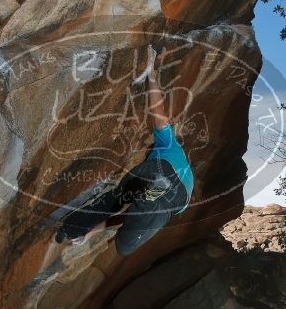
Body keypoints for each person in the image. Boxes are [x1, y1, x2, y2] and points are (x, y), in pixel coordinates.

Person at [55, 46, 194, 256]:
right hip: (175, 198)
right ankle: (72, 229)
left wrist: (152, 75)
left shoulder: (169, 146)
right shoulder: (170, 168)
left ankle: (71, 227)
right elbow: (127, 217)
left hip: (165, 176)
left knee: (117, 197)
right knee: (124, 246)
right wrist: (90, 235)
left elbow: (160, 116)